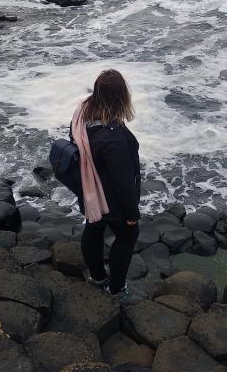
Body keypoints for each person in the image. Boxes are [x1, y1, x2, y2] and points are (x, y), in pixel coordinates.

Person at [71, 69, 141, 304]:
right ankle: (117, 289)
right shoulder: (113, 139)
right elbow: (122, 183)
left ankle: (98, 277)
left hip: (89, 190)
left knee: (94, 225)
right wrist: (132, 214)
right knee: (128, 235)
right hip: (108, 197)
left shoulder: (82, 115)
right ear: (121, 98)